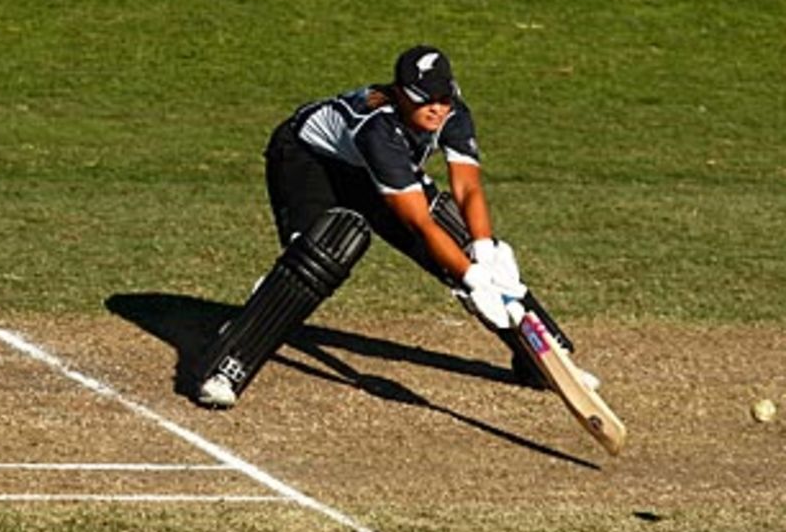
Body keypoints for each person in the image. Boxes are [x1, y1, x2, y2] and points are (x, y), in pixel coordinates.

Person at [194, 45, 593, 408]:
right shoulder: (377, 128)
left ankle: (544, 358)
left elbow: (468, 188)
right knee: (325, 252)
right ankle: (230, 362)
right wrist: (472, 279)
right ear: (401, 94)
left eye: (443, 98)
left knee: (461, 237)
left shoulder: (452, 110)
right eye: (425, 101)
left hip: (374, 170)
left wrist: (485, 252)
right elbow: (418, 222)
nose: (436, 109)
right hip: (309, 162)